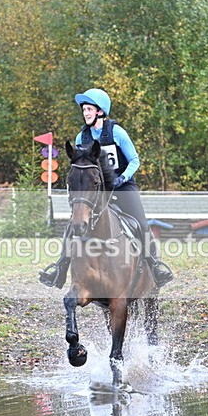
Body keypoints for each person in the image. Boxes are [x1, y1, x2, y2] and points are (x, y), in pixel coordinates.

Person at [39, 88, 174, 289]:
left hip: (122, 186)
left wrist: (123, 177)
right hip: (97, 191)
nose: (85, 113)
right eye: (84, 109)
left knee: (141, 224)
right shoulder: (81, 138)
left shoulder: (116, 132)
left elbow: (135, 160)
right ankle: (60, 269)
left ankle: (155, 268)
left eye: (89, 109)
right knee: (72, 225)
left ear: (100, 111)